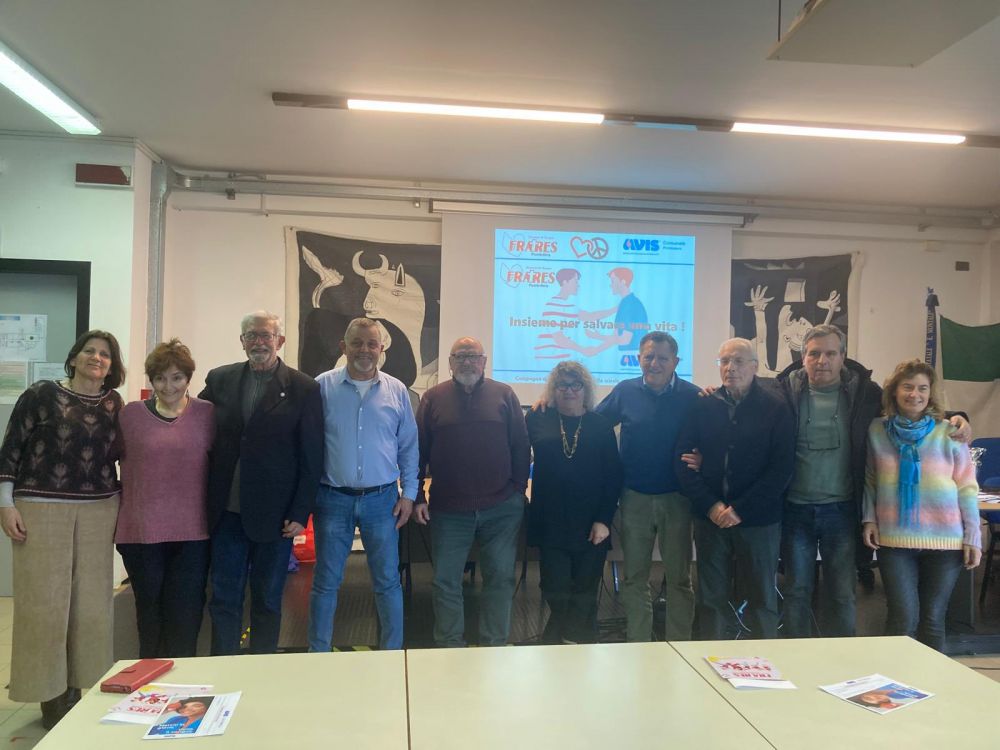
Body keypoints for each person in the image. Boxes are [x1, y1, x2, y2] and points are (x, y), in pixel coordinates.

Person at [0, 330, 126, 729]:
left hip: (98, 509)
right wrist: (5, 504)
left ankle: (77, 688)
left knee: (91, 605)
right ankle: (49, 693)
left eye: (105, 354)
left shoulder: (114, 403)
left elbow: (123, 456)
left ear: (112, 366)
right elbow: (11, 449)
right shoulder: (41, 394)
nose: (97, 358)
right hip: (41, 506)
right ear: (73, 358)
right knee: (44, 603)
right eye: (89, 351)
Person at [199, 311, 323, 655]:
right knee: (224, 598)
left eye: (266, 335)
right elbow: (194, 426)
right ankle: (223, 666)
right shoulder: (220, 379)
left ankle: (262, 667)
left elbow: (312, 456)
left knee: (268, 599)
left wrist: (300, 512)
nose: (259, 342)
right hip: (227, 511)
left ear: (279, 341)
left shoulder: (303, 387)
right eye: (251, 335)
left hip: (277, 516)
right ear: (241, 341)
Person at [309, 318, 418, 652]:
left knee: (387, 582)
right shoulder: (321, 387)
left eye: (372, 344)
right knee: (326, 582)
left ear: (381, 349)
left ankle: (391, 653)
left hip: (382, 501)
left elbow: (409, 447)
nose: (364, 350)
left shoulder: (397, 390)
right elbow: (306, 443)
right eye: (357, 343)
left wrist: (410, 495)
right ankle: (317, 653)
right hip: (332, 499)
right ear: (344, 347)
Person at [414, 337, 530, 647]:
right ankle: (450, 646)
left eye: (473, 356)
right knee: (445, 581)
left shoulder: (505, 394)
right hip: (448, 509)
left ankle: (495, 645)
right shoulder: (432, 398)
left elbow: (521, 446)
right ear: (450, 363)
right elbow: (418, 451)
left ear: (484, 361)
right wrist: (418, 496)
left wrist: (518, 490)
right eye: (460, 356)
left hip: (501, 508)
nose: (467, 361)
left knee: (500, 578)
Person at [676, 338, 794, 640]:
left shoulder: (776, 408)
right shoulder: (702, 406)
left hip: (758, 520)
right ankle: (711, 659)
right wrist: (711, 506)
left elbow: (781, 469)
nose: (730, 368)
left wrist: (740, 510)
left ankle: (766, 660)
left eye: (739, 361)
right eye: (724, 361)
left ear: (755, 367)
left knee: (762, 598)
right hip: (710, 519)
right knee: (710, 598)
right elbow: (684, 462)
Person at [862, 359, 980, 652]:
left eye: (922, 388)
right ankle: (894, 679)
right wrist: (869, 519)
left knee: (932, 620)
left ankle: (930, 679)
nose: (915, 394)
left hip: (946, 541)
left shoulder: (950, 431)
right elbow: (871, 479)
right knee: (902, 618)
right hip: (895, 539)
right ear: (894, 391)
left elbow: (967, 486)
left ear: (930, 394)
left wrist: (973, 536)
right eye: (908, 387)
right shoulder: (877, 430)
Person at [594, 331, 702, 641]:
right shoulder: (624, 391)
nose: (654, 363)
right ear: (638, 359)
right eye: (648, 357)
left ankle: (680, 646)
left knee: (679, 579)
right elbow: (593, 424)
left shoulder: (694, 396)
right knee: (635, 577)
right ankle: (638, 645)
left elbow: (715, 436)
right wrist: (551, 402)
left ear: (676, 362)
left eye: (662, 358)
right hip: (635, 498)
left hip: (677, 499)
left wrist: (705, 457)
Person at [116, 338, 215, 657]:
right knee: (149, 613)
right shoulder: (130, 416)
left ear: (188, 378)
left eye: (176, 377)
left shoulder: (207, 414)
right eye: (160, 378)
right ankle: (150, 679)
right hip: (141, 533)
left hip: (193, 533)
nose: (168, 386)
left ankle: (184, 678)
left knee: (186, 614)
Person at [526, 361, 623, 644]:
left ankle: (565, 643)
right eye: (562, 385)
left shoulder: (600, 425)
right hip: (550, 519)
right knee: (553, 586)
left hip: (591, 522)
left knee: (584, 590)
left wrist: (604, 520)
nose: (569, 391)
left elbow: (613, 476)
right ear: (553, 389)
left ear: (585, 389)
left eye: (575, 385)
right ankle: (572, 640)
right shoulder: (536, 418)